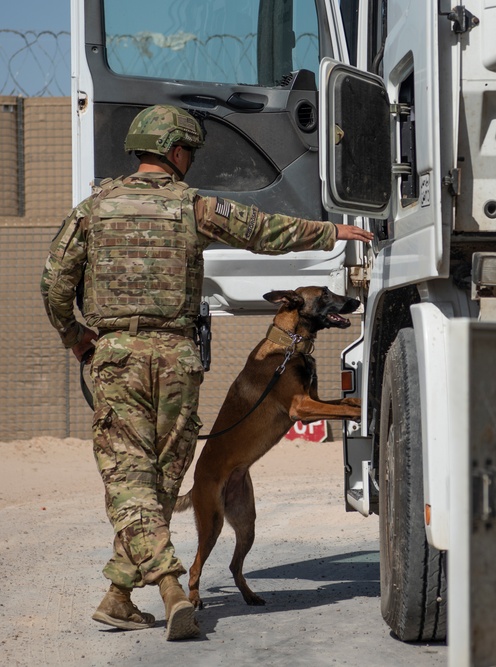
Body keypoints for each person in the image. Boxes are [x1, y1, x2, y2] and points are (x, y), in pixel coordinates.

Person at [40, 104, 373, 640]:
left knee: (133, 480)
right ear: (175, 151)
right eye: (189, 152)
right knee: (162, 479)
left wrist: (78, 338)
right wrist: (331, 231)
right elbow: (263, 231)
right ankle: (158, 588)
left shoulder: (91, 210)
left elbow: (54, 285)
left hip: (116, 359)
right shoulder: (193, 207)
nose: (189, 161)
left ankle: (132, 592)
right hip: (175, 362)